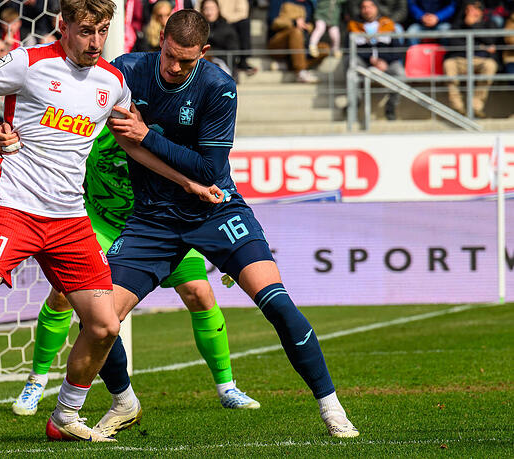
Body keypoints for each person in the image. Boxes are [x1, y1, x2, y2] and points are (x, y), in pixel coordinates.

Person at [0, 0, 221, 443]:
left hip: (69, 220)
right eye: (86, 31)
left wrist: (188, 182)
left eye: (102, 30)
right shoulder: (27, 63)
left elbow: (134, 145)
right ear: (62, 27)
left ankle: (65, 414)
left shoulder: (113, 81)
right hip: (13, 210)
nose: (95, 41)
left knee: (105, 325)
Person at [92, 9, 359, 438]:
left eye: (187, 60)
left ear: (205, 52)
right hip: (153, 219)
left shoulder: (218, 87)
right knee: (98, 320)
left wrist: (149, 136)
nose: (175, 67)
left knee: (277, 304)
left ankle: (331, 408)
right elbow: (82, 109)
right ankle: (124, 401)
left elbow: (209, 170)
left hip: (216, 209)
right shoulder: (126, 71)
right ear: (161, 38)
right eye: (170, 56)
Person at [6, 126, 260, 418]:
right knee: (62, 294)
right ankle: (36, 381)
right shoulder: (93, 127)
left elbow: (210, 175)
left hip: (161, 224)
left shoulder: (162, 133)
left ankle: (227, 387)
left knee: (199, 293)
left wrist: (227, 248)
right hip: (101, 225)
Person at [348, 0, 404, 120]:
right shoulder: (354, 26)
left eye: (370, 6)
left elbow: (398, 50)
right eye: (364, 7)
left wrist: (384, 61)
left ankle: (391, 106)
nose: (367, 10)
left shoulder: (387, 24)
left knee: (399, 72)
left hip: (386, 63)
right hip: (365, 63)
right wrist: (371, 60)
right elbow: (350, 50)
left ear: (377, 8)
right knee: (352, 64)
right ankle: (354, 103)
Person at [443, 0, 498, 118]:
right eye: (469, 9)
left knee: (490, 65)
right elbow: (454, 44)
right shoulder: (458, 23)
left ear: (481, 11)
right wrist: (481, 46)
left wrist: (473, 26)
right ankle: (457, 107)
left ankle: (475, 107)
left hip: (481, 60)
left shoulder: (489, 23)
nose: (472, 12)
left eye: (475, 9)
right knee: (448, 64)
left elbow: (492, 41)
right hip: (460, 59)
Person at [267, 0, 327, 83]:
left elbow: (312, 24)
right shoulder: (278, 1)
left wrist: (307, 26)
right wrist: (293, 22)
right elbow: (273, 23)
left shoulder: (309, 4)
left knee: (325, 48)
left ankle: (288, 65)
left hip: (303, 42)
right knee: (296, 32)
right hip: (279, 42)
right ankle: (300, 72)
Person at [217, 0, 258, 75]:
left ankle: (242, 60)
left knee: (244, 24)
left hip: (231, 22)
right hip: (213, 22)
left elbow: (243, 13)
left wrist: (224, 19)